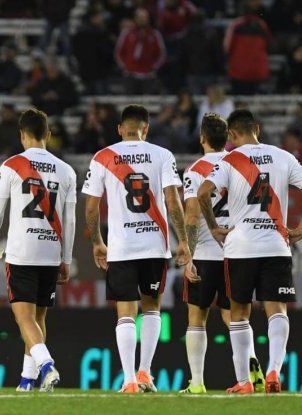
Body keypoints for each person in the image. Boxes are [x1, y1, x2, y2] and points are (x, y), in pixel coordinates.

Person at [197, 110, 302, 394]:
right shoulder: (283, 156)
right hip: (275, 245)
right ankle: (273, 372)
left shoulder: (230, 160)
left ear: (231, 135)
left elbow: (203, 193)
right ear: (257, 128)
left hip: (241, 247)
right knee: (277, 311)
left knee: (239, 314)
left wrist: (215, 227)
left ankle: (244, 382)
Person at [82, 105, 190, 393]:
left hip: (122, 247)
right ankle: (145, 372)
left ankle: (129, 379)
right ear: (146, 129)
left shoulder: (103, 157)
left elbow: (91, 207)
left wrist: (96, 242)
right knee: (152, 308)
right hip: (155, 246)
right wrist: (183, 241)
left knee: (126, 313)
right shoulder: (162, 155)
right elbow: (172, 201)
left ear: (120, 129)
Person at [0, 109, 77, 392]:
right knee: (39, 318)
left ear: (22, 135)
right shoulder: (67, 170)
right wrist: (66, 259)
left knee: (23, 318)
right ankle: (27, 380)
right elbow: (70, 220)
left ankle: (47, 365)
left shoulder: (12, 165)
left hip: (22, 251)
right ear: (48, 135)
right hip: (50, 251)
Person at [179, 114, 265, 394]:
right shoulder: (240, 164)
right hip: (236, 253)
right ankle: (252, 369)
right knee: (235, 318)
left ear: (202, 138)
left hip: (205, 252)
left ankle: (197, 383)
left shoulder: (195, 170)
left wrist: (189, 256)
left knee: (197, 317)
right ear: (227, 138)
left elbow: (192, 214)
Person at [224, 0, 271, 95]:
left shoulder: (235, 25)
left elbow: (226, 47)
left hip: (238, 71)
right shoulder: (261, 24)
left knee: (240, 102)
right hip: (257, 70)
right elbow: (268, 44)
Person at [115, 8, 166, 94]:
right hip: (130, 74)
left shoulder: (155, 34)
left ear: (148, 19)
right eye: (140, 17)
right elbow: (119, 52)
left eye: (144, 17)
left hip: (148, 75)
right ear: (135, 18)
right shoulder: (126, 33)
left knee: (147, 103)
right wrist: (125, 67)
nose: (142, 20)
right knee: (130, 103)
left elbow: (161, 54)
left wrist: (154, 68)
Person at [72, 8, 113, 95]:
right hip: (98, 72)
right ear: (92, 18)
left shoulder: (80, 33)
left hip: (87, 71)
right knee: (102, 98)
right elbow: (106, 52)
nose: (101, 19)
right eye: (99, 17)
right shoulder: (100, 33)